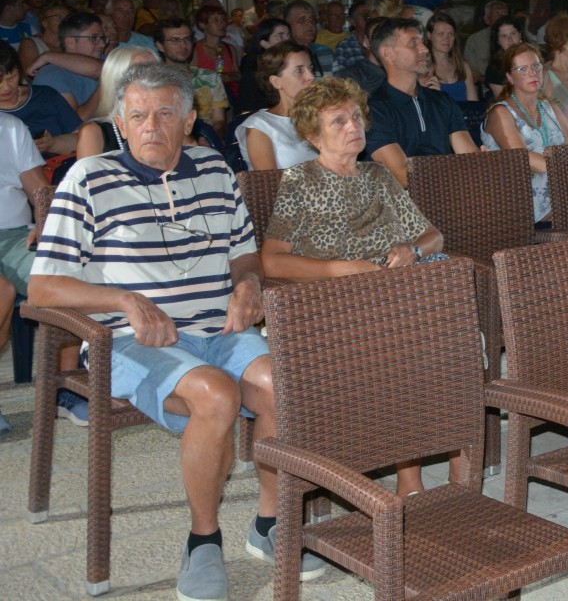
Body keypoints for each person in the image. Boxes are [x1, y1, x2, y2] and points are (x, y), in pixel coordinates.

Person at [31, 61, 325, 595]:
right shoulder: (89, 178)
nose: (151, 127)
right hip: (129, 340)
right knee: (215, 394)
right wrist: (125, 300)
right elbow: (44, 287)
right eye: (137, 115)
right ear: (120, 122)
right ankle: (202, 539)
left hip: (219, 328)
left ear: (189, 120)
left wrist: (249, 285)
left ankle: (269, 523)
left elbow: (243, 255)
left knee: (281, 384)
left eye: (165, 114)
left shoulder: (214, 169)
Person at [260, 76, 444, 497]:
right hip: (337, 301)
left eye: (357, 117)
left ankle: (445, 465)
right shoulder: (301, 181)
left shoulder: (378, 175)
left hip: (394, 292)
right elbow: (272, 259)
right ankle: (411, 479)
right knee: (411, 348)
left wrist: (413, 249)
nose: (353, 127)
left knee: (435, 338)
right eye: (338, 121)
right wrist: (340, 270)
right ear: (313, 135)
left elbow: (434, 236)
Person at [363, 17, 477, 188]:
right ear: (388, 54)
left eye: (422, 42)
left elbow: (470, 159)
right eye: (413, 43)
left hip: (449, 195)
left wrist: (480, 163)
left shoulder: (442, 101)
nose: (424, 49)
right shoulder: (374, 109)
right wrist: (457, 171)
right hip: (402, 202)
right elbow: (403, 176)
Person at [482, 43, 568, 224]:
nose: (532, 73)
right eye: (522, 69)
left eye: (536, 66)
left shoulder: (551, 108)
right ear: (510, 78)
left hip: (565, 193)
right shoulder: (501, 113)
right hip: (522, 202)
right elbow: (524, 159)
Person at [0, 110, 51, 436]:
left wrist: (46, 225)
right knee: (2, 291)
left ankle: (67, 392)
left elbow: (40, 192)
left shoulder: (9, 126)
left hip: (15, 236)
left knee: (61, 280)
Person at [236, 43, 319, 171]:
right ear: (276, 82)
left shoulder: (320, 116)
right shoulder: (260, 126)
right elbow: (269, 181)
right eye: (299, 70)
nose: (311, 77)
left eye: (311, 69)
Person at [0, 40, 82, 158]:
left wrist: (53, 144)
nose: (6, 87)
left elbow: (82, 138)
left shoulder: (45, 96)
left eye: (12, 77)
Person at [31, 11, 107, 119]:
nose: (102, 44)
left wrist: (47, 56)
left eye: (103, 38)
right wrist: (106, 85)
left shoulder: (104, 59)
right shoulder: (51, 74)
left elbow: (99, 68)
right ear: (70, 42)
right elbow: (74, 122)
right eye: (94, 38)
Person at [234, 18, 291, 115]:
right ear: (264, 43)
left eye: (288, 35)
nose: (287, 40)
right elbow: (248, 110)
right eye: (280, 36)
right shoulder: (254, 72)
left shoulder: (289, 66)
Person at [192, 1, 241, 109]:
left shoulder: (229, 48)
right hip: (206, 101)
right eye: (215, 20)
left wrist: (226, 77)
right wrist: (218, 78)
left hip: (229, 99)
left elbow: (237, 75)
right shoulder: (196, 49)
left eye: (223, 20)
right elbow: (193, 77)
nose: (221, 24)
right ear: (203, 25)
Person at [424, 11, 478, 102]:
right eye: (441, 34)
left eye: (450, 34)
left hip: (464, 111)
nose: (446, 39)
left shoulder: (463, 66)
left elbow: (473, 103)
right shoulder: (424, 68)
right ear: (429, 35)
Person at [482, 16, 530, 98]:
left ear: (520, 35)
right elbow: (503, 100)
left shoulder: (535, 59)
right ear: (498, 41)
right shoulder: (494, 70)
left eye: (513, 34)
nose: (510, 39)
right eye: (504, 36)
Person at [284, 0, 335, 77]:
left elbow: (338, 82)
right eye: (302, 20)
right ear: (288, 26)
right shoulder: (282, 57)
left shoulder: (325, 52)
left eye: (312, 19)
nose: (310, 24)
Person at [462, 0, 508, 80]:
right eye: (497, 14)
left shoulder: (515, 38)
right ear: (487, 20)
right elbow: (471, 72)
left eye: (504, 13)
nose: (502, 17)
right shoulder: (475, 40)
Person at [18, 3, 69, 73]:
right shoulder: (30, 43)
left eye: (67, 18)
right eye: (58, 17)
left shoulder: (71, 45)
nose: (64, 21)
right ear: (45, 22)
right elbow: (31, 75)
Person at [332, 1, 370, 71]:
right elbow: (340, 74)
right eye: (363, 15)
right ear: (352, 22)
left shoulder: (378, 42)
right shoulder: (344, 46)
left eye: (368, 15)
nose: (367, 18)